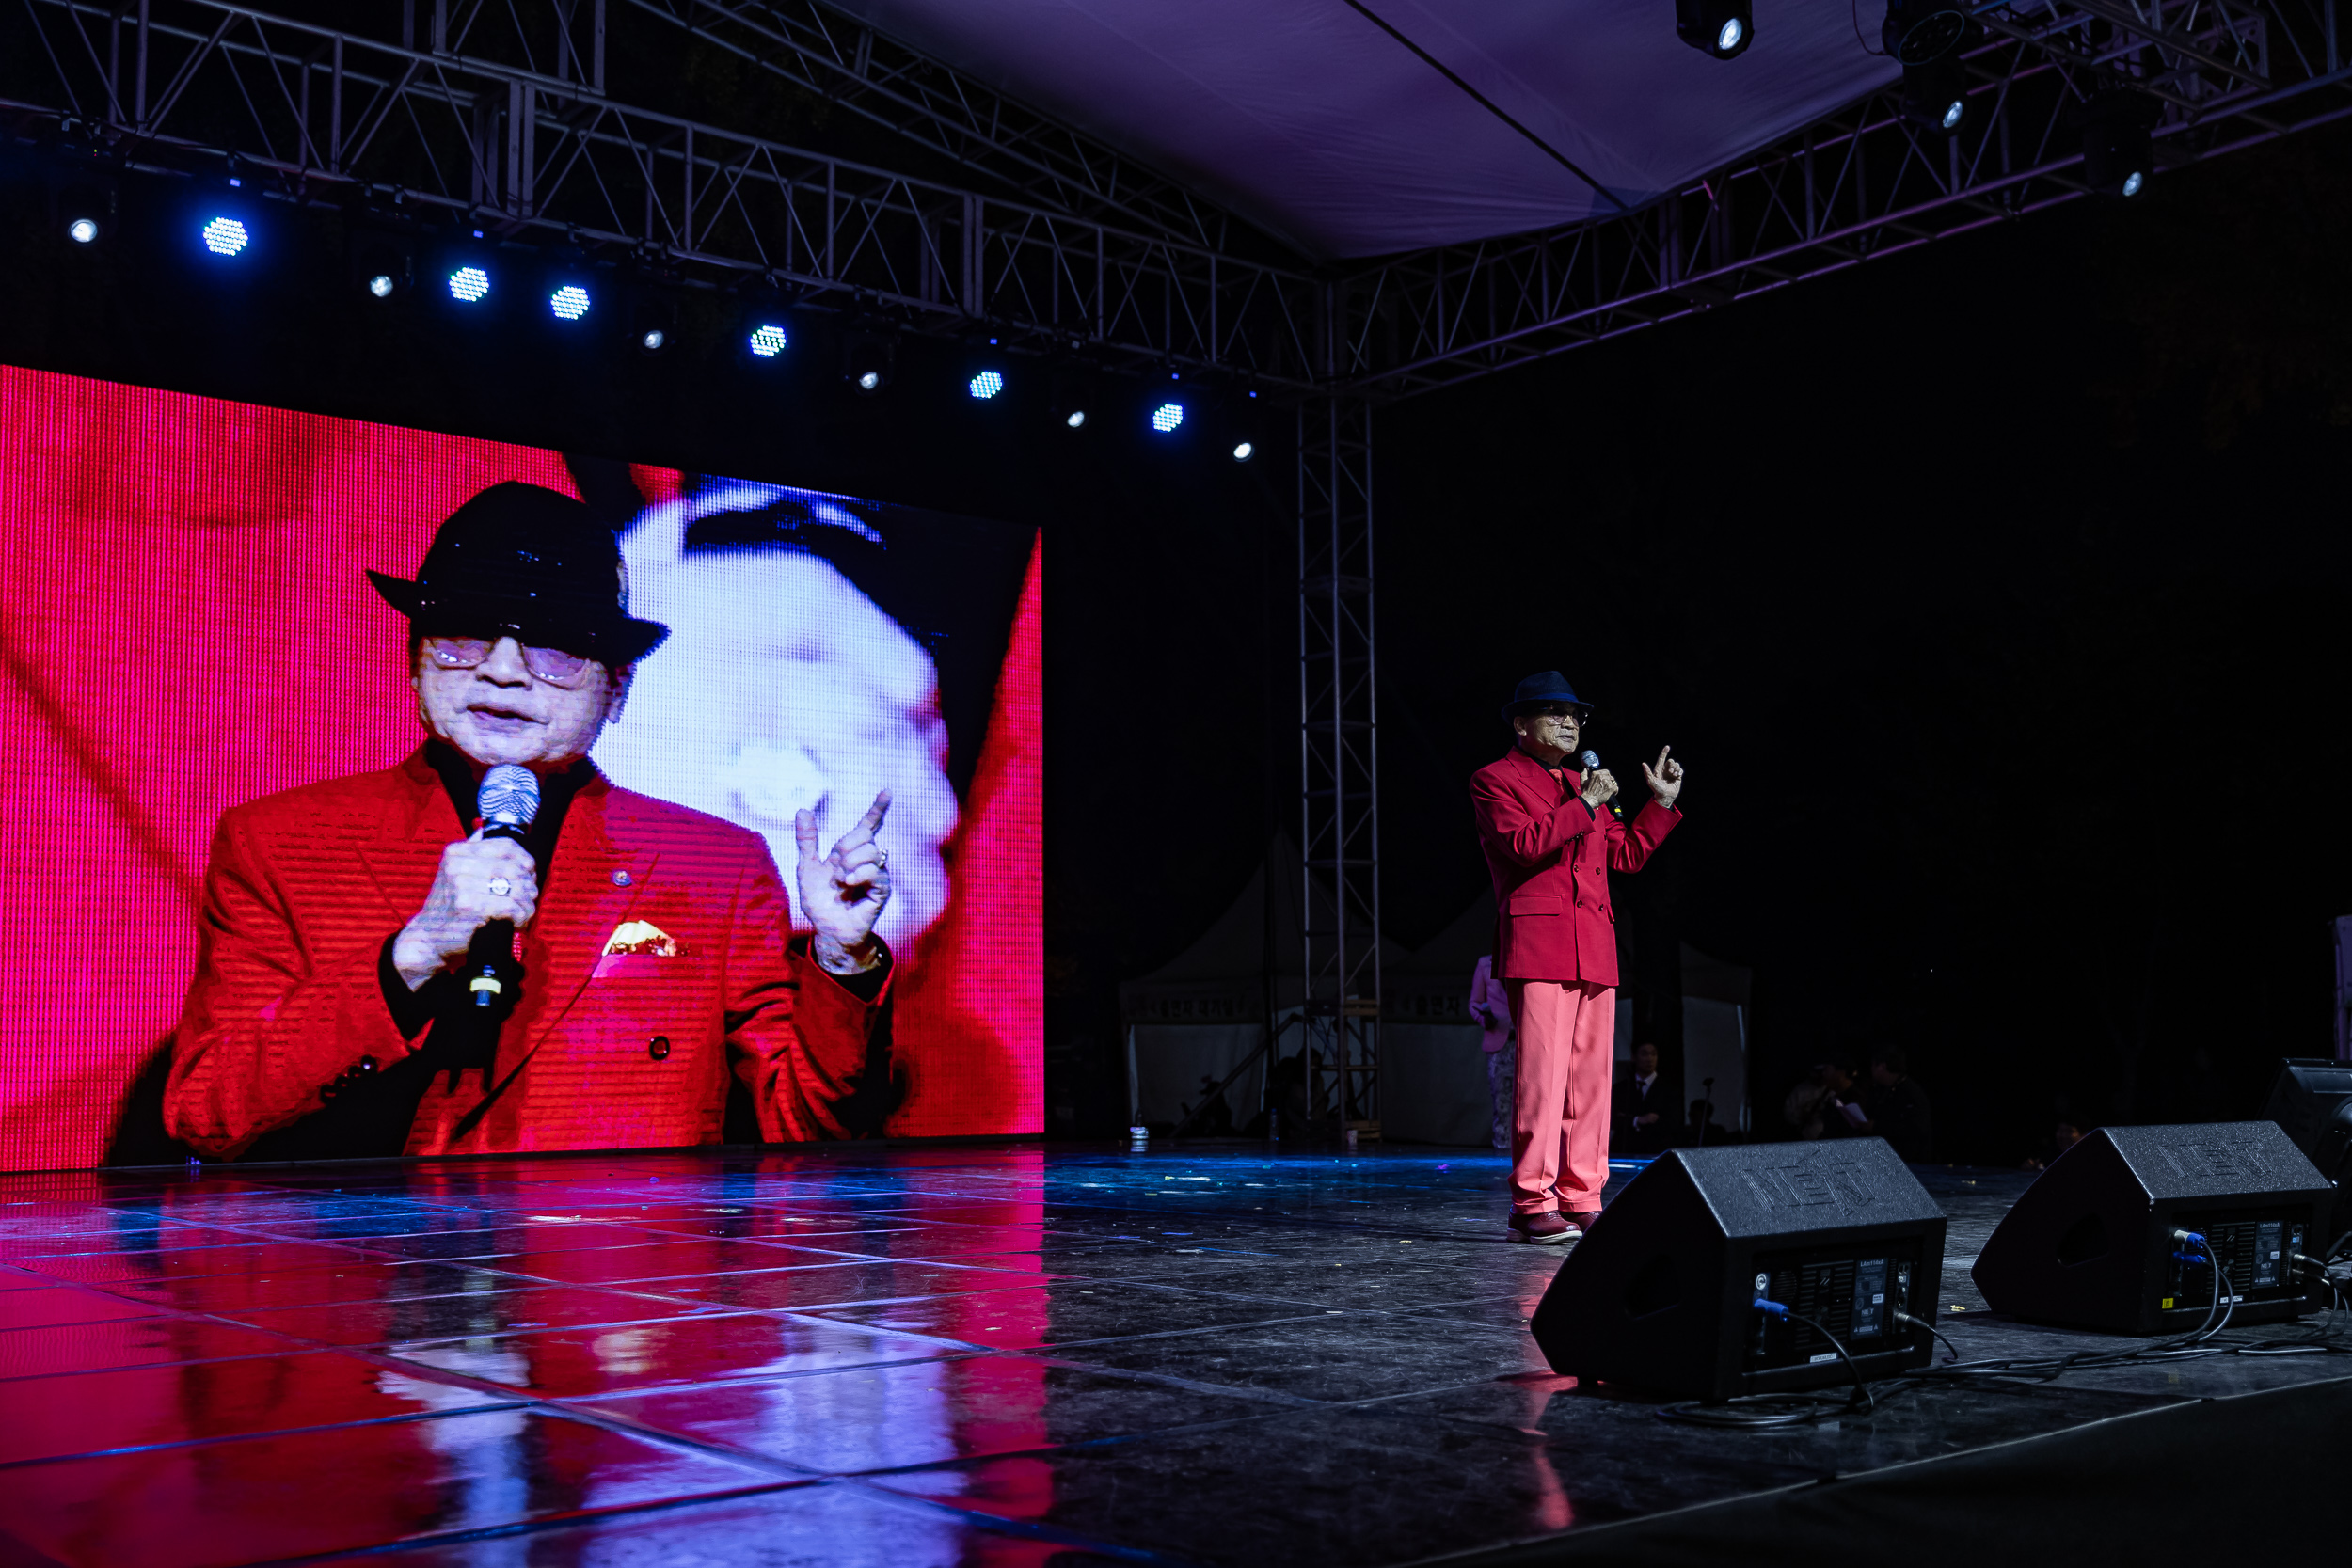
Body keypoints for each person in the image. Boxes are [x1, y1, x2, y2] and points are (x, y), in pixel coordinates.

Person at [165, 483, 898, 1160]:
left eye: (554, 646)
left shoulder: (714, 865)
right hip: (362, 1281)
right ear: (415, 660)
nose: (504, 670)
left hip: (617, 1288)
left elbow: (808, 1126)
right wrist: (408, 959)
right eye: (465, 634)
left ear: (618, 689)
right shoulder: (283, 842)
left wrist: (843, 958)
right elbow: (206, 1113)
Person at [1470, 671, 1683, 1243]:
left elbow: (1626, 856)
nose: (1569, 722)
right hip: (1539, 946)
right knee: (1541, 1082)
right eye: (1553, 712)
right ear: (1521, 723)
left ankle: (1581, 1194)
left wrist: (1659, 805)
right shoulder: (1494, 780)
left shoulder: (1580, 785)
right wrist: (1587, 801)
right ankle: (1531, 1204)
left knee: (1589, 1084)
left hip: (1595, 947)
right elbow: (1523, 846)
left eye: (1575, 714)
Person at [1847, 1046, 1934, 1163]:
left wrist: (1876, 1127)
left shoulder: (1911, 1094)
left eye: (1874, 1065)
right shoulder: (1883, 1089)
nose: (1871, 1069)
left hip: (1908, 1162)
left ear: (1882, 1066)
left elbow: (1915, 1129)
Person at [1468, 954, 1516, 1151]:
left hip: (1528, 1039)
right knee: (1502, 1103)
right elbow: (1475, 1002)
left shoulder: (1527, 956)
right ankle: (1502, 1152)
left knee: (1532, 1103)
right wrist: (1485, 1019)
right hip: (1500, 1042)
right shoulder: (1485, 963)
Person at [1611, 1039, 1672, 1156]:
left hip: (1656, 1152)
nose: (1650, 1059)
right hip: (1625, 1151)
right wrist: (1636, 1120)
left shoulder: (1669, 1089)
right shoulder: (1621, 1088)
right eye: (1644, 1054)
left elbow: (1672, 1123)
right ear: (1634, 1057)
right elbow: (1613, 1119)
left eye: (1653, 1054)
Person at [1784, 1062, 1857, 1141]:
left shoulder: (1832, 1090)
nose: (1821, 1075)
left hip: (1827, 1136)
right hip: (1806, 1137)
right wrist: (1801, 1116)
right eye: (1817, 1072)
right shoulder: (1800, 1090)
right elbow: (1788, 1113)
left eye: (1824, 1072)